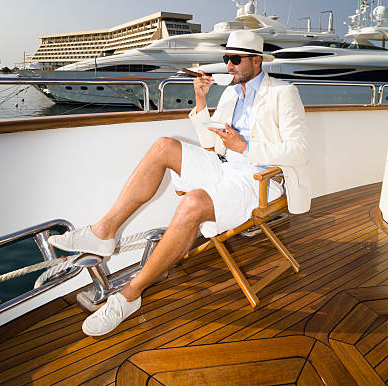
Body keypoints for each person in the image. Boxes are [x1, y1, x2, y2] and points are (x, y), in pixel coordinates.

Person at [49, 30, 310, 337]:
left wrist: (245, 148)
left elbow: (300, 151)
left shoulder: (283, 92)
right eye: (226, 58)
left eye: (235, 59)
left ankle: (129, 295)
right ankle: (102, 233)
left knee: (194, 202)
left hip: (258, 178)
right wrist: (201, 100)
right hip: (225, 166)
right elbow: (210, 144)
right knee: (163, 145)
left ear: (256, 61)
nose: (228, 65)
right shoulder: (230, 94)